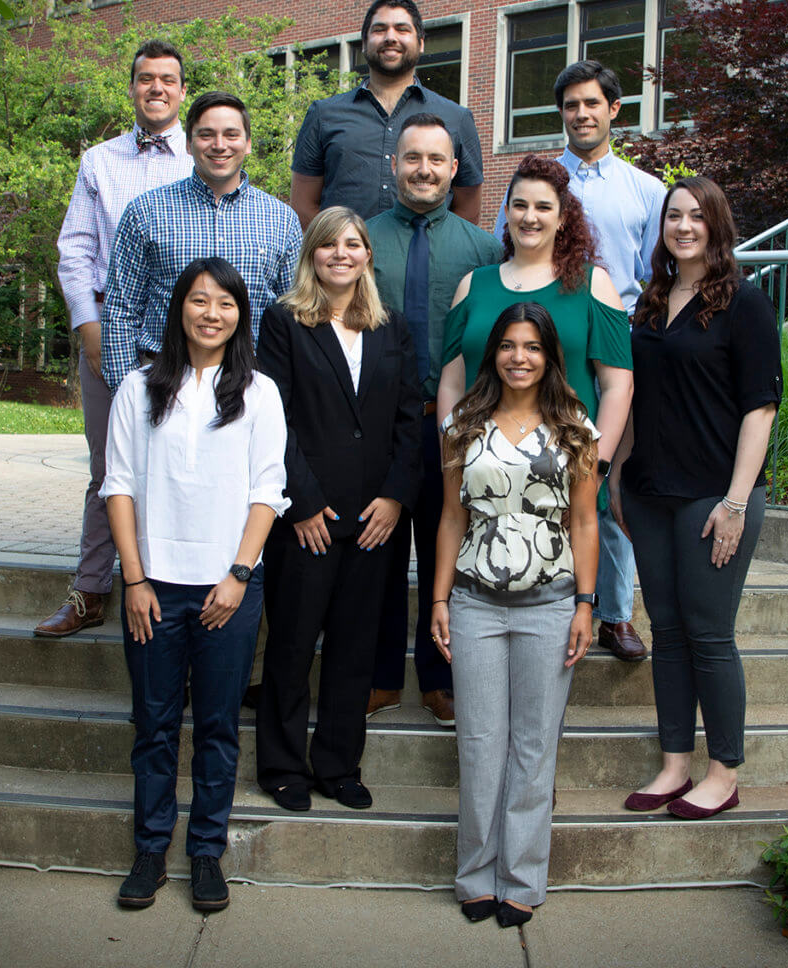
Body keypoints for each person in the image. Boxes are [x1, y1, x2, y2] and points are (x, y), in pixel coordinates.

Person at [101, 257, 289, 911]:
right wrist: (133, 579)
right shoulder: (138, 387)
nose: (212, 314)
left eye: (226, 304)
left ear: (241, 315)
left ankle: (206, 853)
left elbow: (268, 492)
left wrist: (238, 575)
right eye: (200, 301)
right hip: (154, 588)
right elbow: (118, 486)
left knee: (215, 727)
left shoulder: (259, 393)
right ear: (179, 307)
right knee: (152, 725)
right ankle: (150, 849)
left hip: (227, 592)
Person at [613, 177, 782, 818]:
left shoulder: (745, 303)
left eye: (696, 216)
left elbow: (760, 409)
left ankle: (724, 771)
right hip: (651, 490)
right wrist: (618, 476)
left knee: (710, 634)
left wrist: (736, 501)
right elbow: (635, 400)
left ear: (717, 225)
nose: (683, 226)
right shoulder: (652, 304)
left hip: (713, 495)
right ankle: (674, 764)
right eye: (673, 216)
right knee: (669, 632)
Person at [432, 302, 599, 926]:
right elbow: (452, 518)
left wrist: (587, 603)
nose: (519, 357)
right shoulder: (464, 424)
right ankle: (475, 875)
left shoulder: (575, 426)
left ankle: (522, 880)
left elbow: (584, 520)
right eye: (507, 345)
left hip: (551, 604)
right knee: (479, 742)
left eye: (531, 346)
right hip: (475, 602)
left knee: (534, 747)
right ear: (493, 353)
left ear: (549, 355)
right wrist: (441, 598)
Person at [494, 60, 666, 661]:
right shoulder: (536, 184)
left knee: (603, 479)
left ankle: (614, 610)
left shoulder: (646, 190)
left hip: (611, 342)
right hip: (536, 341)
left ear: (614, 110)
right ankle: (526, 587)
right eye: (570, 106)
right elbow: (506, 252)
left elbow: (655, 277)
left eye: (592, 103)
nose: (581, 115)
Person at [255, 207, 421, 813]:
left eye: (353, 245)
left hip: (375, 521)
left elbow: (410, 419)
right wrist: (301, 503)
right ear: (312, 254)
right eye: (329, 245)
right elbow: (274, 421)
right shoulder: (283, 323)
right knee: (293, 646)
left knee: (355, 649)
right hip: (307, 521)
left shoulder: (392, 329)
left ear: (368, 255)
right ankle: (280, 764)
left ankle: (338, 764)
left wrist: (397, 497)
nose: (341, 255)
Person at [36, 40, 193, 638]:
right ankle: (91, 590)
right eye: (145, 79)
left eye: (168, 80)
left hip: (185, 335)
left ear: (182, 90)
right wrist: (87, 325)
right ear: (131, 88)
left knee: (182, 463)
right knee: (110, 465)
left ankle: (173, 587)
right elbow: (74, 248)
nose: (156, 88)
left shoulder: (202, 154)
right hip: (110, 328)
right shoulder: (99, 161)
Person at [365, 113, 504, 727]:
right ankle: (380, 676)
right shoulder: (360, 241)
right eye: (412, 157)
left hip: (455, 425)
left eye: (436, 160)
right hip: (378, 428)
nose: (424, 169)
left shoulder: (483, 251)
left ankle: (440, 678)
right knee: (382, 557)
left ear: (454, 169)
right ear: (393, 165)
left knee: (449, 551)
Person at [438, 155, 632, 580]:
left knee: (563, 606)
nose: (530, 217)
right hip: (484, 480)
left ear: (564, 218)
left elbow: (618, 387)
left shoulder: (593, 284)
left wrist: (597, 469)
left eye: (543, 207)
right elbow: (451, 382)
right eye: (519, 205)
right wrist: (454, 459)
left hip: (564, 481)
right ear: (506, 213)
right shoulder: (473, 285)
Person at [101, 91, 301, 393]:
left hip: (251, 386)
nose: (219, 145)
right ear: (188, 143)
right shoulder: (146, 212)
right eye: (206, 135)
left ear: (247, 144)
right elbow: (120, 311)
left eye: (231, 135)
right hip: (164, 383)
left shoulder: (281, 219)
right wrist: (128, 395)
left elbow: (296, 316)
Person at [290, 0, 484, 227]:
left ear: (421, 43)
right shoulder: (323, 115)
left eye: (402, 29)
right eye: (380, 29)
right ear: (364, 43)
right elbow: (303, 205)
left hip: (426, 262)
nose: (390, 37)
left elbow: (468, 209)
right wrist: (340, 250)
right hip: (346, 262)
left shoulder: (456, 118)